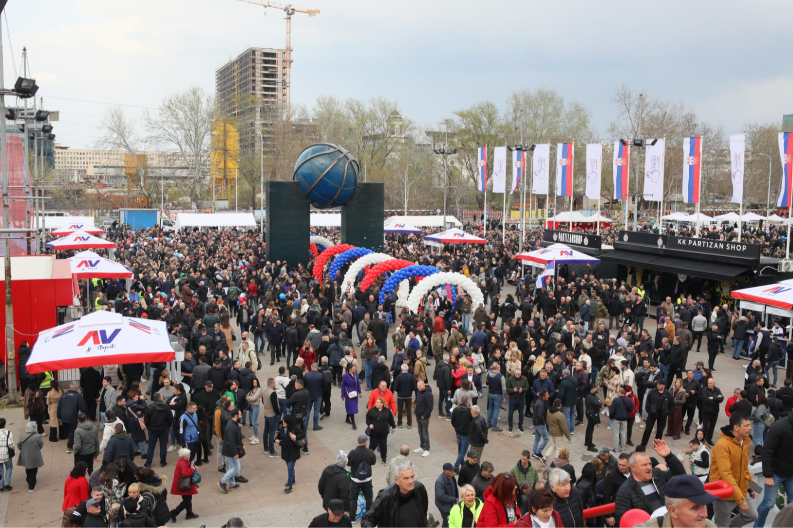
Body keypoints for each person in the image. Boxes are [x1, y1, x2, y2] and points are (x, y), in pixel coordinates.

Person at [614, 439, 687, 525]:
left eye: (650, 464)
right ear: (633, 467)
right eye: (644, 465)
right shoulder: (625, 491)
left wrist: (669, 456)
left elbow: (681, 476)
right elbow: (623, 521)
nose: (649, 467)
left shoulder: (657, 474)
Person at [711, 411, 759, 528]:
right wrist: (740, 500)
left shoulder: (744, 441)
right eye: (746, 425)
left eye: (750, 425)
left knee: (752, 515)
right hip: (724, 494)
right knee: (722, 525)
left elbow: (743, 467)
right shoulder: (722, 445)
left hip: (740, 490)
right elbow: (726, 474)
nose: (750, 428)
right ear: (736, 427)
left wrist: (750, 486)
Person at [634, 474, 718, 528]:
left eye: (704, 505)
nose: (705, 514)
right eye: (695, 508)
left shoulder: (710, 526)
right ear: (673, 511)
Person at [361, 462, 429, 528]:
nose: (411, 481)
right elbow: (367, 519)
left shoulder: (419, 488)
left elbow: (424, 511)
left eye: (412, 477)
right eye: (406, 478)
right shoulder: (385, 497)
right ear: (397, 480)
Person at [756, 408, 793, 528]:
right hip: (775, 473)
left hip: (791, 474)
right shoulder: (779, 426)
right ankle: (758, 526)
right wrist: (768, 475)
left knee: (792, 505)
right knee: (768, 503)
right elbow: (767, 451)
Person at [274, 414, 305, 494]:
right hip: (285, 452)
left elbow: (302, 434)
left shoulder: (294, 429)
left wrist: (295, 436)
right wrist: (276, 440)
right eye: (283, 421)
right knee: (289, 466)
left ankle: (289, 484)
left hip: (293, 452)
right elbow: (278, 437)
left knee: (290, 468)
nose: (283, 422)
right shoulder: (281, 428)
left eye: (285, 421)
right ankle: (293, 478)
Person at [349, 433, 377, 522]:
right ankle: (369, 517)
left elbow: (349, 463)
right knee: (369, 498)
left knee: (353, 498)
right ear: (365, 442)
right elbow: (373, 462)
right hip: (367, 479)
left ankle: (352, 518)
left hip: (355, 480)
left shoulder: (352, 452)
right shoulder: (370, 452)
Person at [639, 379, 673, 450]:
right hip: (652, 414)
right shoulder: (652, 392)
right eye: (657, 384)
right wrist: (648, 410)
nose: (657, 385)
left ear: (663, 386)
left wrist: (668, 411)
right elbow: (648, 401)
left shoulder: (668, 394)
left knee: (660, 431)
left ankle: (657, 444)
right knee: (648, 429)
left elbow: (672, 404)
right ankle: (643, 444)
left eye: (659, 384)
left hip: (662, 415)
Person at [143, 392, 173, 468]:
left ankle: (148, 462)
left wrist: (149, 427)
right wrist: (167, 426)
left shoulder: (150, 408)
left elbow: (146, 420)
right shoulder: (166, 407)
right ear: (161, 398)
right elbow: (170, 418)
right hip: (164, 429)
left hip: (153, 430)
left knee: (151, 446)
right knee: (163, 446)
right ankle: (163, 462)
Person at [218, 408, 245, 494]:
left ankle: (232, 484)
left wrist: (242, 444)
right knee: (236, 467)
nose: (241, 416)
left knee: (231, 467)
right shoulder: (232, 426)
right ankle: (222, 481)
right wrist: (235, 453)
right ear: (236, 415)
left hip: (229, 450)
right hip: (231, 451)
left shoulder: (233, 423)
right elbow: (231, 441)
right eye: (240, 415)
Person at [169, 447, 199, 522]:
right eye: (189, 454)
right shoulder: (184, 463)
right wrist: (192, 469)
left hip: (183, 484)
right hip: (185, 485)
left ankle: (189, 513)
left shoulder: (181, 461)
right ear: (186, 456)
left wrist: (192, 467)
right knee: (186, 501)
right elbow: (185, 473)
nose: (189, 455)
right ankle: (174, 513)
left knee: (187, 499)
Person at [58, 381, 89, 453]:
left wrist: (58, 416)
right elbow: (83, 407)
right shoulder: (78, 396)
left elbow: (59, 406)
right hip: (72, 416)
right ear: (77, 388)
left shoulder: (64, 395)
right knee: (71, 431)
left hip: (63, 416)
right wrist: (86, 415)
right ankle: (69, 446)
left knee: (67, 430)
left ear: (69, 386)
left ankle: (70, 440)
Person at [366, 396, 396, 466]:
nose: (376, 403)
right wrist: (369, 424)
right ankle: (368, 457)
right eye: (376, 402)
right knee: (372, 445)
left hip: (383, 432)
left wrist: (393, 426)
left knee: (383, 446)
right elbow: (368, 417)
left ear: (382, 404)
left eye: (378, 402)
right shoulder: (372, 410)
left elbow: (391, 419)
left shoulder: (387, 411)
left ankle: (384, 458)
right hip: (374, 432)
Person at [17, 421, 44, 492]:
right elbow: (41, 445)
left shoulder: (23, 436)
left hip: (25, 455)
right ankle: (31, 487)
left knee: (28, 468)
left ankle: (29, 479)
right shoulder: (38, 437)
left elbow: (19, 445)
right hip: (35, 455)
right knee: (34, 471)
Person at [435, 463, 459, 528]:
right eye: (451, 471)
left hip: (450, 503)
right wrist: (454, 499)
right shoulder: (440, 481)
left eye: (453, 470)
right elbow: (441, 496)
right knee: (447, 521)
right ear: (445, 471)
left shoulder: (451, 476)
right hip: (444, 506)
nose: (453, 472)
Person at [506, 367, 529, 433]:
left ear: (521, 373)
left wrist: (522, 390)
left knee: (521, 413)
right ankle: (510, 426)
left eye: (519, 374)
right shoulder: (510, 379)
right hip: (513, 398)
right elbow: (508, 389)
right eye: (516, 374)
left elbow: (527, 387)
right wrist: (513, 390)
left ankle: (520, 426)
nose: (517, 376)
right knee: (510, 413)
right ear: (514, 373)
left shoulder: (524, 379)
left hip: (521, 399)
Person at [342, 363, 363, 430]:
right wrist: (342, 395)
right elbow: (343, 386)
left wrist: (360, 392)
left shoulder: (356, 374)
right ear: (350, 369)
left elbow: (358, 384)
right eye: (354, 368)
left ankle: (347, 418)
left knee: (352, 407)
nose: (355, 369)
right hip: (348, 394)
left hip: (355, 393)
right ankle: (354, 423)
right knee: (351, 408)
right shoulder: (345, 376)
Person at [415, 380, 434, 457]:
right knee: (420, 431)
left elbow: (430, 407)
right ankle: (422, 446)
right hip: (418, 415)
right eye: (418, 386)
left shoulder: (428, 394)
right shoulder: (419, 392)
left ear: (424, 385)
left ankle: (427, 449)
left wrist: (424, 415)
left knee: (425, 433)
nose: (418, 387)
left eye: (420, 386)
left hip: (424, 417)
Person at [584, 383, 602, 453]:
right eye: (594, 387)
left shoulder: (592, 395)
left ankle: (587, 442)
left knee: (589, 428)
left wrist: (599, 402)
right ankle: (589, 445)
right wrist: (599, 403)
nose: (595, 388)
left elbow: (599, 401)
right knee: (590, 429)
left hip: (591, 412)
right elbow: (598, 403)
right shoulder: (590, 397)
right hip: (591, 414)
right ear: (591, 389)